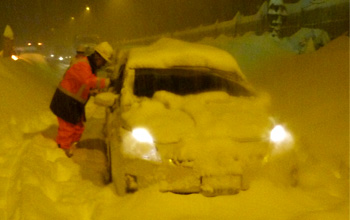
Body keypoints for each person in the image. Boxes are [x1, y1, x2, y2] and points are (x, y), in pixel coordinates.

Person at [50, 42, 113, 157]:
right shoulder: (83, 65)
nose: (103, 65)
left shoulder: (89, 66)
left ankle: (72, 146)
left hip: (73, 101)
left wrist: (91, 91)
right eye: (103, 61)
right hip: (65, 100)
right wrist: (108, 82)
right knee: (67, 128)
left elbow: (86, 83)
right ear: (97, 57)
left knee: (78, 126)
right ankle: (61, 152)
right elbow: (88, 81)